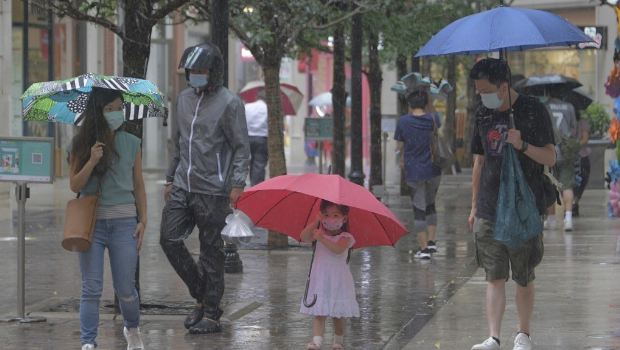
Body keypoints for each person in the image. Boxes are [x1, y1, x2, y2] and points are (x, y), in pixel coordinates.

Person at [160, 43, 250, 334]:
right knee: (169, 239)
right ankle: (201, 293)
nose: (196, 74)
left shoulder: (230, 103)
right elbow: (178, 141)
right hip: (183, 185)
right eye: (192, 70)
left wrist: (237, 184)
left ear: (215, 71)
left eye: (202, 70)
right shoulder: (184, 99)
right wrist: (170, 177)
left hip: (214, 189)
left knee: (211, 251)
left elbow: (240, 147)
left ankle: (211, 313)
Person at [468, 58, 555, 350]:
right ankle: (493, 337)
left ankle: (523, 334)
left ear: (503, 87)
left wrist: (523, 145)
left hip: (523, 208)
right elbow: (479, 162)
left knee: (523, 274)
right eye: (478, 91)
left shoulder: (533, 110)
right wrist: (473, 206)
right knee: (494, 275)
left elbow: (551, 158)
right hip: (489, 208)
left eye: (486, 90)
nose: (482, 96)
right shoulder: (482, 114)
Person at [68, 87, 146, 350]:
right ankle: (88, 342)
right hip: (91, 225)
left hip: (125, 223)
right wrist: (91, 161)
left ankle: (132, 328)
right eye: (108, 109)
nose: (115, 114)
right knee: (91, 288)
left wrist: (143, 221)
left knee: (126, 287)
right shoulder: (80, 144)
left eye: (119, 108)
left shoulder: (132, 143)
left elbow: (139, 184)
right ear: (97, 112)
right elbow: (74, 185)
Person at [300, 200, 359, 350]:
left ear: (343, 219)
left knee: (338, 314)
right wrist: (315, 222)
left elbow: (338, 249)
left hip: (338, 279)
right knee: (319, 311)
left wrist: (321, 238)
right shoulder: (319, 233)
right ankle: (317, 341)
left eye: (335, 215)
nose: (330, 218)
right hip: (321, 278)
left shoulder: (346, 237)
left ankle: (338, 342)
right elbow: (304, 236)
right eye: (326, 215)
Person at [394, 90, 442, 259]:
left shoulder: (403, 121)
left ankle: (423, 249)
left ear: (409, 105)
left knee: (418, 208)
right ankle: (432, 241)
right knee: (431, 204)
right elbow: (438, 122)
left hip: (414, 171)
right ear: (426, 103)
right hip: (434, 169)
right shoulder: (433, 119)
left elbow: (400, 146)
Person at [543, 97, 579, 230]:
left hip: (548, 152)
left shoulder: (543, 107)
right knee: (567, 185)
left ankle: (552, 219)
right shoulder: (569, 106)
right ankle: (568, 218)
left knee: (550, 185)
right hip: (565, 153)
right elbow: (573, 128)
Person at [244, 88, 269, 186]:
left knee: (245, 163)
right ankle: (256, 186)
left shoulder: (247, 106)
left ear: (256, 97)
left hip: (247, 138)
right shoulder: (267, 108)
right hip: (261, 138)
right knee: (259, 165)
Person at [572, 111, 591, 216]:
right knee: (569, 182)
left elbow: (585, 138)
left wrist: (575, 145)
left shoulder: (582, 122)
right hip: (568, 157)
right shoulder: (565, 121)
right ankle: (571, 205)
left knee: (582, 179)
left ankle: (575, 202)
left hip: (581, 156)